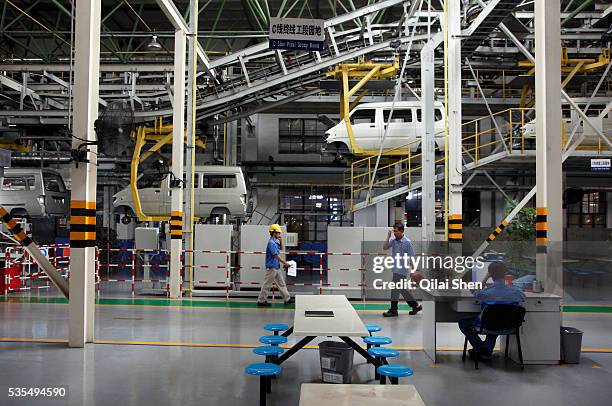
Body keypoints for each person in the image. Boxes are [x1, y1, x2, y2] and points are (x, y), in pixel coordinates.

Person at [458, 261, 526, 359]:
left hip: (490, 323)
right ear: (505, 273)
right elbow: (523, 297)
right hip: (509, 325)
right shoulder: (516, 292)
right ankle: (486, 348)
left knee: (463, 323)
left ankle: (481, 348)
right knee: (497, 319)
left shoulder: (486, 292)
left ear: (490, 274)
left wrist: (485, 278)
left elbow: (476, 293)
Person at [382, 223, 422, 317]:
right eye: (394, 231)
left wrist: (414, 270)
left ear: (401, 231)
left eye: (396, 231)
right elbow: (384, 247)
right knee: (402, 289)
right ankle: (415, 305)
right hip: (395, 269)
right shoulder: (393, 240)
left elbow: (412, 257)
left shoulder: (407, 242)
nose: (394, 233)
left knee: (395, 290)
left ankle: (393, 310)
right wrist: (388, 236)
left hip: (402, 270)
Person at [257, 224, 294, 307]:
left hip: (276, 267)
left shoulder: (274, 242)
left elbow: (281, 249)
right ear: (274, 233)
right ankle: (261, 301)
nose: (279, 235)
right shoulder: (271, 243)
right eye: (278, 233)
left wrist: (281, 241)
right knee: (267, 284)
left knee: (282, 284)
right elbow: (275, 255)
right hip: (272, 267)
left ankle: (287, 299)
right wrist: (285, 263)